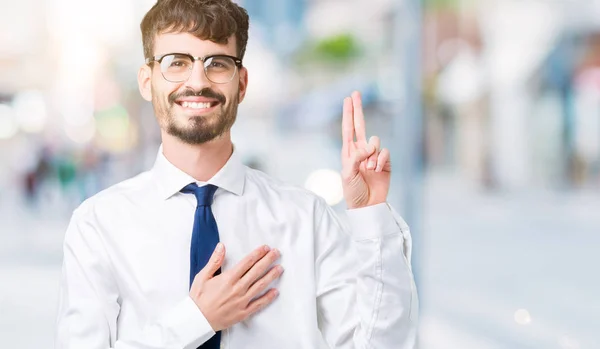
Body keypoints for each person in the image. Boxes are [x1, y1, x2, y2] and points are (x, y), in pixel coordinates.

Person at [54, 0, 418, 348]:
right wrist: (196, 319)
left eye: (217, 63)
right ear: (147, 80)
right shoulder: (98, 225)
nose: (198, 81)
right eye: (176, 62)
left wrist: (370, 217)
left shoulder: (305, 218)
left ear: (241, 83)